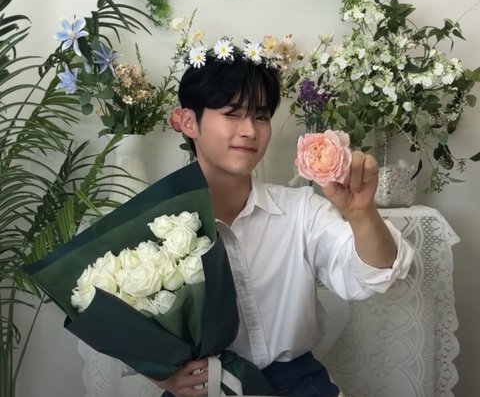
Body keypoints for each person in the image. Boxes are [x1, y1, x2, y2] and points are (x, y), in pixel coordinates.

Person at [154, 40, 414, 397]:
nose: (250, 130)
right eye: (232, 113)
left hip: (301, 387)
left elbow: (375, 273)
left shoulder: (301, 210)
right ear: (188, 122)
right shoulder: (156, 224)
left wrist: (361, 213)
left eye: (261, 116)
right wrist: (161, 374)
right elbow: (129, 320)